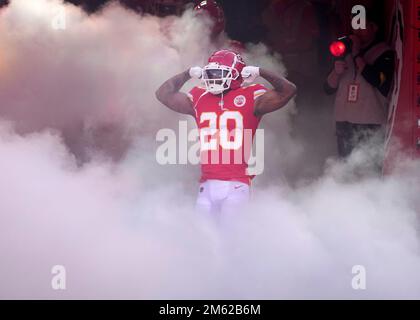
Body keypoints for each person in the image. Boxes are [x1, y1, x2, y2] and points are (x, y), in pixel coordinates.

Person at [156, 49, 296, 217]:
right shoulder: (200, 96)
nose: (213, 78)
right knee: (203, 239)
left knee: (230, 240)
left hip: (235, 186)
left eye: (218, 73)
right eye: (210, 73)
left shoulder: (250, 96)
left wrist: (260, 71)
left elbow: (288, 90)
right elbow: (162, 94)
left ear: (235, 75)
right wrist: (188, 74)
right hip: (206, 185)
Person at [324, 12, 395, 167]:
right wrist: (336, 72)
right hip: (344, 121)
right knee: (345, 167)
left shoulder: (385, 52)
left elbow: (377, 80)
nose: (357, 32)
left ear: (373, 27)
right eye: (355, 27)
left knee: (370, 168)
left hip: (370, 122)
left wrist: (357, 55)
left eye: (361, 27)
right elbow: (328, 88)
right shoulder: (344, 52)